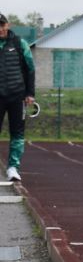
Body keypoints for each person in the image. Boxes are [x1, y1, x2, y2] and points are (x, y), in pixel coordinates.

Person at [0, 12, 34, 184]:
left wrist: (30, 93)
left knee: (18, 133)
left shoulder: (20, 44)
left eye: (1, 25)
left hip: (17, 96)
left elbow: (30, 69)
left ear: (7, 25)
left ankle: (13, 167)